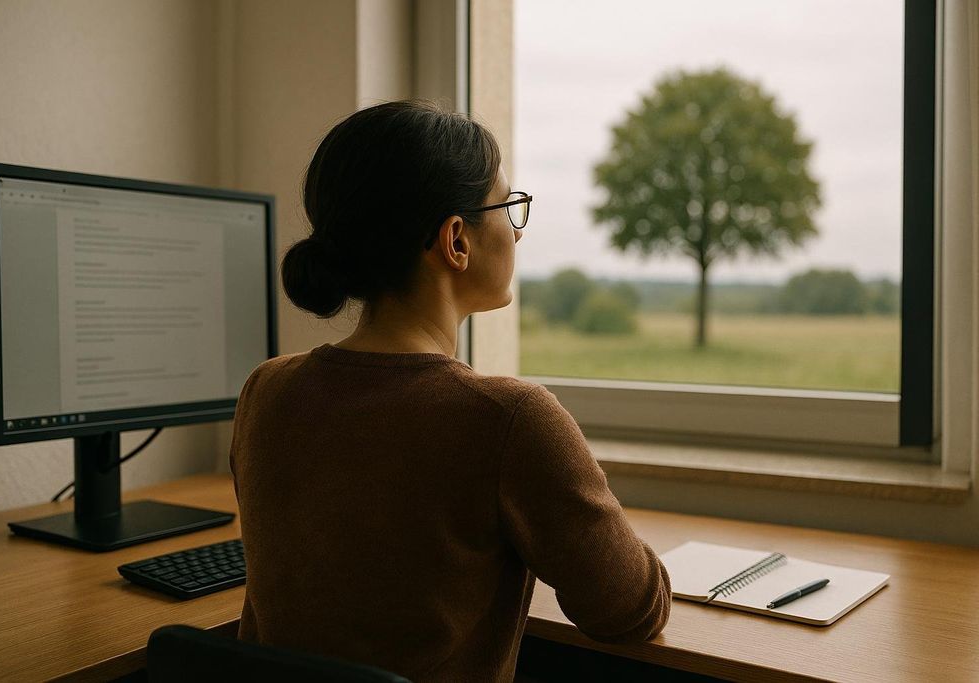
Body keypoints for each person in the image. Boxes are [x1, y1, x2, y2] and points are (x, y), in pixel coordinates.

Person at [229, 100, 671, 683]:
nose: (516, 230)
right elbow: (629, 610)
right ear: (456, 240)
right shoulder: (510, 418)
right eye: (509, 208)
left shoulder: (266, 390)